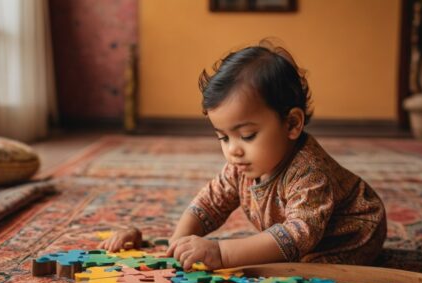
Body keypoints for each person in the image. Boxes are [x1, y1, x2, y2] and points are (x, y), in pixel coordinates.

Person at [99, 40, 387, 271]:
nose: (233, 149)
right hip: (303, 233)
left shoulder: (309, 171)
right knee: (263, 254)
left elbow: (300, 234)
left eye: (247, 135)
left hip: (351, 235)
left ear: (291, 124)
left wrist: (222, 253)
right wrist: (177, 244)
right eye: (223, 137)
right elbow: (208, 204)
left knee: (294, 270)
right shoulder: (239, 165)